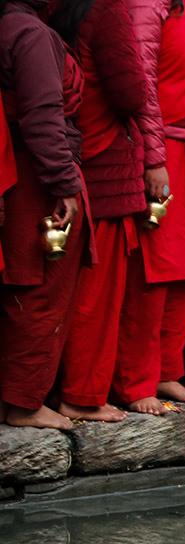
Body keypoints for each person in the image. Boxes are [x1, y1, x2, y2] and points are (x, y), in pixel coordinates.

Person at [112, 0, 185, 415]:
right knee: (156, 270)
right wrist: (154, 160)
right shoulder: (146, 5)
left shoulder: (183, 7)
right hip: (166, 147)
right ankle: (135, 380)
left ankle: (166, 370)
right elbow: (143, 84)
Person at [50, 0, 142, 425]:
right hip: (103, 154)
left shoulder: (61, 10)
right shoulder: (107, 10)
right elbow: (131, 91)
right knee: (99, 289)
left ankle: (75, 390)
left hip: (74, 146)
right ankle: (83, 395)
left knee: (78, 285)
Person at [0, 0, 86, 430]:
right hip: (36, 179)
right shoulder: (30, 35)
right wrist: (64, 184)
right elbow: (42, 116)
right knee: (37, 288)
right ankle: (23, 402)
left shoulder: (11, 27)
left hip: (21, 169)